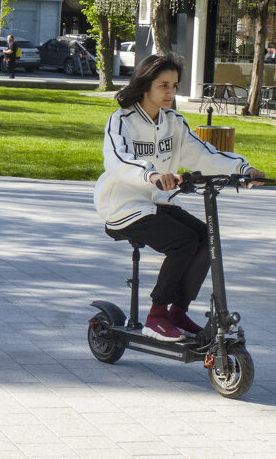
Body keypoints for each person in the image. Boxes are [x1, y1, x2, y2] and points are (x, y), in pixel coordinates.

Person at [93, 55, 265, 342]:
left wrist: (242, 169)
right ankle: (156, 316)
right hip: (123, 204)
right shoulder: (121, 120)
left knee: (205, 237)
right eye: (163, 86)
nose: (171, 92)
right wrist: (152, 174)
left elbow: (202, 153)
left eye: (174, 85)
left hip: (160, 201)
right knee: (183, 241)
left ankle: (177, 311)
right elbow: (118, 158)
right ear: (145, 85)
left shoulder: (174, 122)